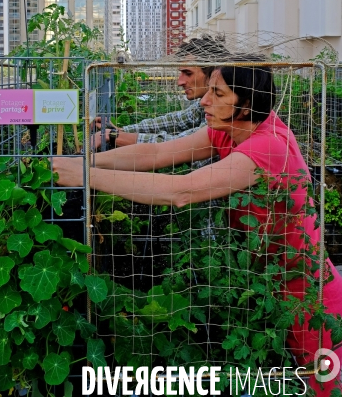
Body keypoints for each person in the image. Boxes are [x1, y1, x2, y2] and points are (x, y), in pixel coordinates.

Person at [53, 63, 342, 396]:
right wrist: (85, 161)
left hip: (308, 299)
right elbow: (157, 153)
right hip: (266, 289)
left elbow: (182, 192)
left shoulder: (267, 146)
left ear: (246, 105)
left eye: (217, 93)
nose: (204, 100)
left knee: (320, 386)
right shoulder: (227, 128)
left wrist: (85, 177)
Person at [91, 35, 228, 153]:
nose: (180, 82)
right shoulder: (204, 104)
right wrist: (122, 130)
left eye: (188, 73)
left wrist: (114, 135)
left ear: (212, 74)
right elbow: (174, 121)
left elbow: (178, 144)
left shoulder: (225, 112)